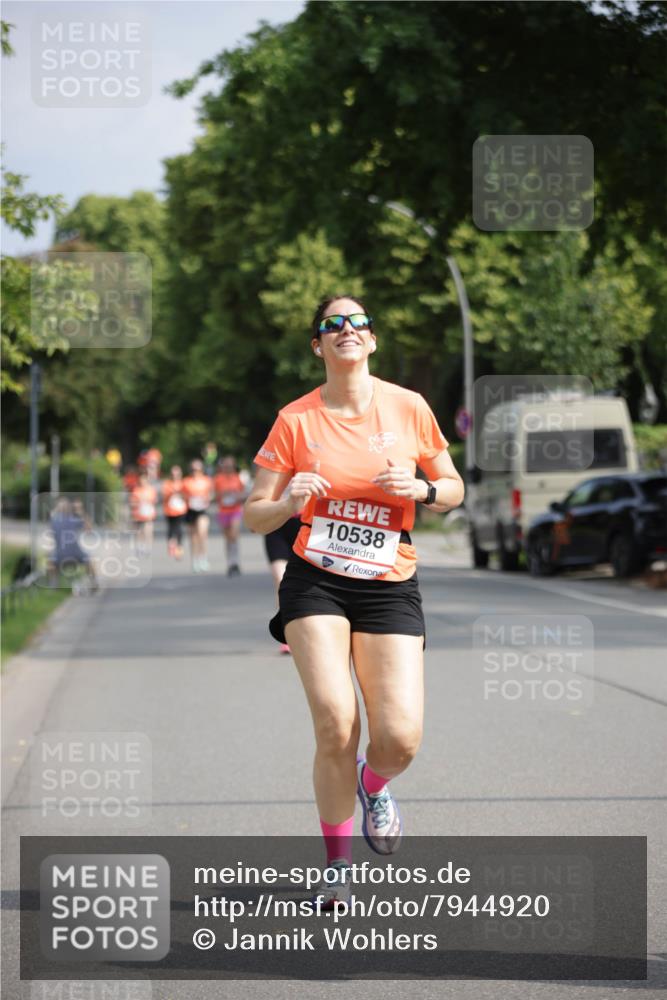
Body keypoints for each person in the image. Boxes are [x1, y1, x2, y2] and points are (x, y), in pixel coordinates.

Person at [244, 295, 464, 909]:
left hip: (390, 578)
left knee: (399, 739)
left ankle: (376, 785)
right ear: (319, 345)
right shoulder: (295, 420)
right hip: (316, 578)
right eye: (332, 324)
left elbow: (453, 487)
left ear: (371, 341)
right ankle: (336, 866)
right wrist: (288, 503)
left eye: (358, 322)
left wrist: (422, 487)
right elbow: (255, 514)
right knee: (336, 722)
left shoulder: (408, 406)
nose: (346, 330)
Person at [263, 513, 302, 654]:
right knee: (281, 579)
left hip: (304, 524)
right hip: (276, 524)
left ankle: (304, 629)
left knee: (303, 584)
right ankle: (288, 634)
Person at [48, 497, 98, 590]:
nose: (63, 507)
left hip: (75, 551)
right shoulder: (55, 519)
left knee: (90, 560)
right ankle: (54, 585)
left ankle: (94, 582)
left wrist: (80, 511)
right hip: (60, 552)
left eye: (65, 505)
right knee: (51, 560)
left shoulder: (73, 519)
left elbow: (89, 529)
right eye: (61, 506)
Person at [213, 456, 246, 576]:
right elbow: (214, 495)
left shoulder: (237, 478)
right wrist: (222, 494)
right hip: (223, 511)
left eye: (230, 466)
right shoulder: (218, 479)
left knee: (234, 535)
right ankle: (230, 563)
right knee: (228, 538)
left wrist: (237, 496)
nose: (228, 468)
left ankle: (236, 561)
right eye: (226, 466)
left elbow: (244, 494)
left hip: (235, 510)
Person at [182, 459, 214, 572]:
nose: (195, 471)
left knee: (202, 534)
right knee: (193, 537)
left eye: (197, 469)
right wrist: (188, 499)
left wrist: (207, 499)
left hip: (202, 510)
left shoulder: (206, 481)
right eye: (193, 469)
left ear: (202, 470)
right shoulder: (186, 481)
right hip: (191, 510)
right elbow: (182, 496)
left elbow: (211, 494)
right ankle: (195, 560)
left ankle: (203, 558)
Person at [129, 470, 158, 555]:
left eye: (144, 480)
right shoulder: (136, 490)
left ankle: (148, 546)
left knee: (148, 530)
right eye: (141, 480)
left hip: (148, 513)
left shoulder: (151, 489)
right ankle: (140, 545)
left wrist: (148, 502)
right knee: (139, 531)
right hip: (138, 513)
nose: (142, 482)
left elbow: (154, 500)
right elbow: (132, 502)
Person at [162, 465, 187, 559]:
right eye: (173, 474)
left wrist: (180, 494)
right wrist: (172, 492)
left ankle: (179, 547)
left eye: (177, 474)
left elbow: (187, 495)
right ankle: (171, 544)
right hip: (169, 510)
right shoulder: (167, 483)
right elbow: (164, 496)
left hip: (180, 510)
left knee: (179, 528)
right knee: (171, 529)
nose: (175, 476)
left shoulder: (183, 483)